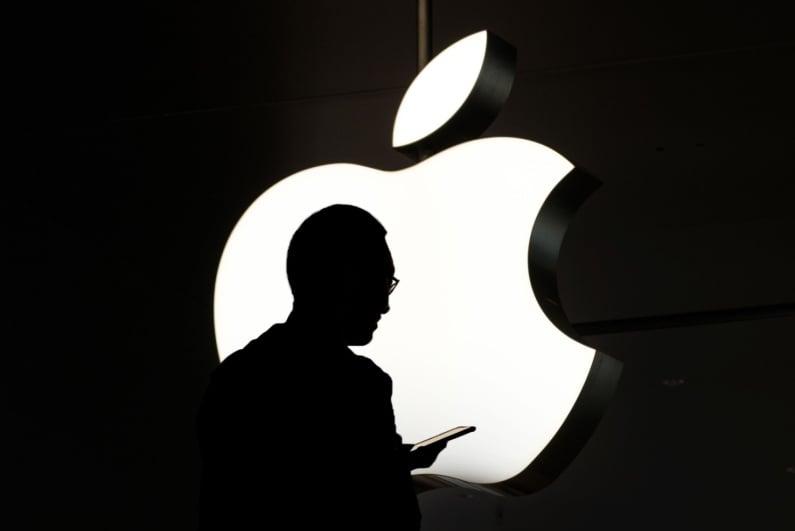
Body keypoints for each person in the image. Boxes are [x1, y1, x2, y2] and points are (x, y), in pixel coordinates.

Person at [196, 204, 447, 531]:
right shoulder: (360, 386)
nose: (385, 304)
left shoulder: (234, 377)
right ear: (339, 278)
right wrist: (385, 468)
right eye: (380, 281)